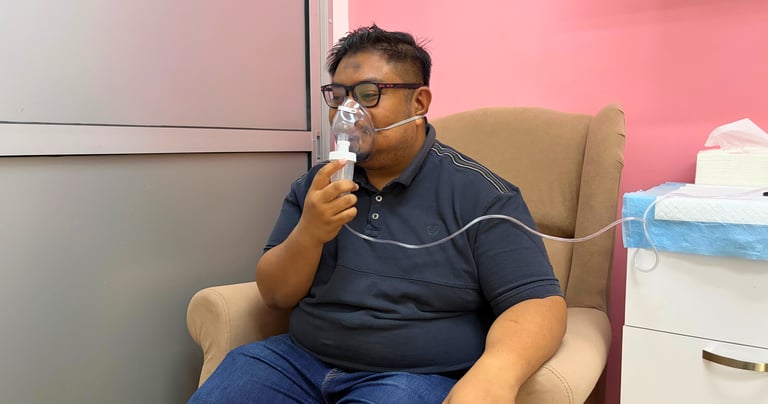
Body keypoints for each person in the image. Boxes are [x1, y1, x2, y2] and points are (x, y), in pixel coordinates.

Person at [189, 24, 566, 404]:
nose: (348, 113)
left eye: (369, 95)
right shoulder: (318, 185)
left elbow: (537, 304)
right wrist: (311, 231)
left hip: (410, 377)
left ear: (418, 103)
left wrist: (496, 373)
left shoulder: (481, 197)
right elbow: (274, 295)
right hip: (299, 361)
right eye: (338, 97)